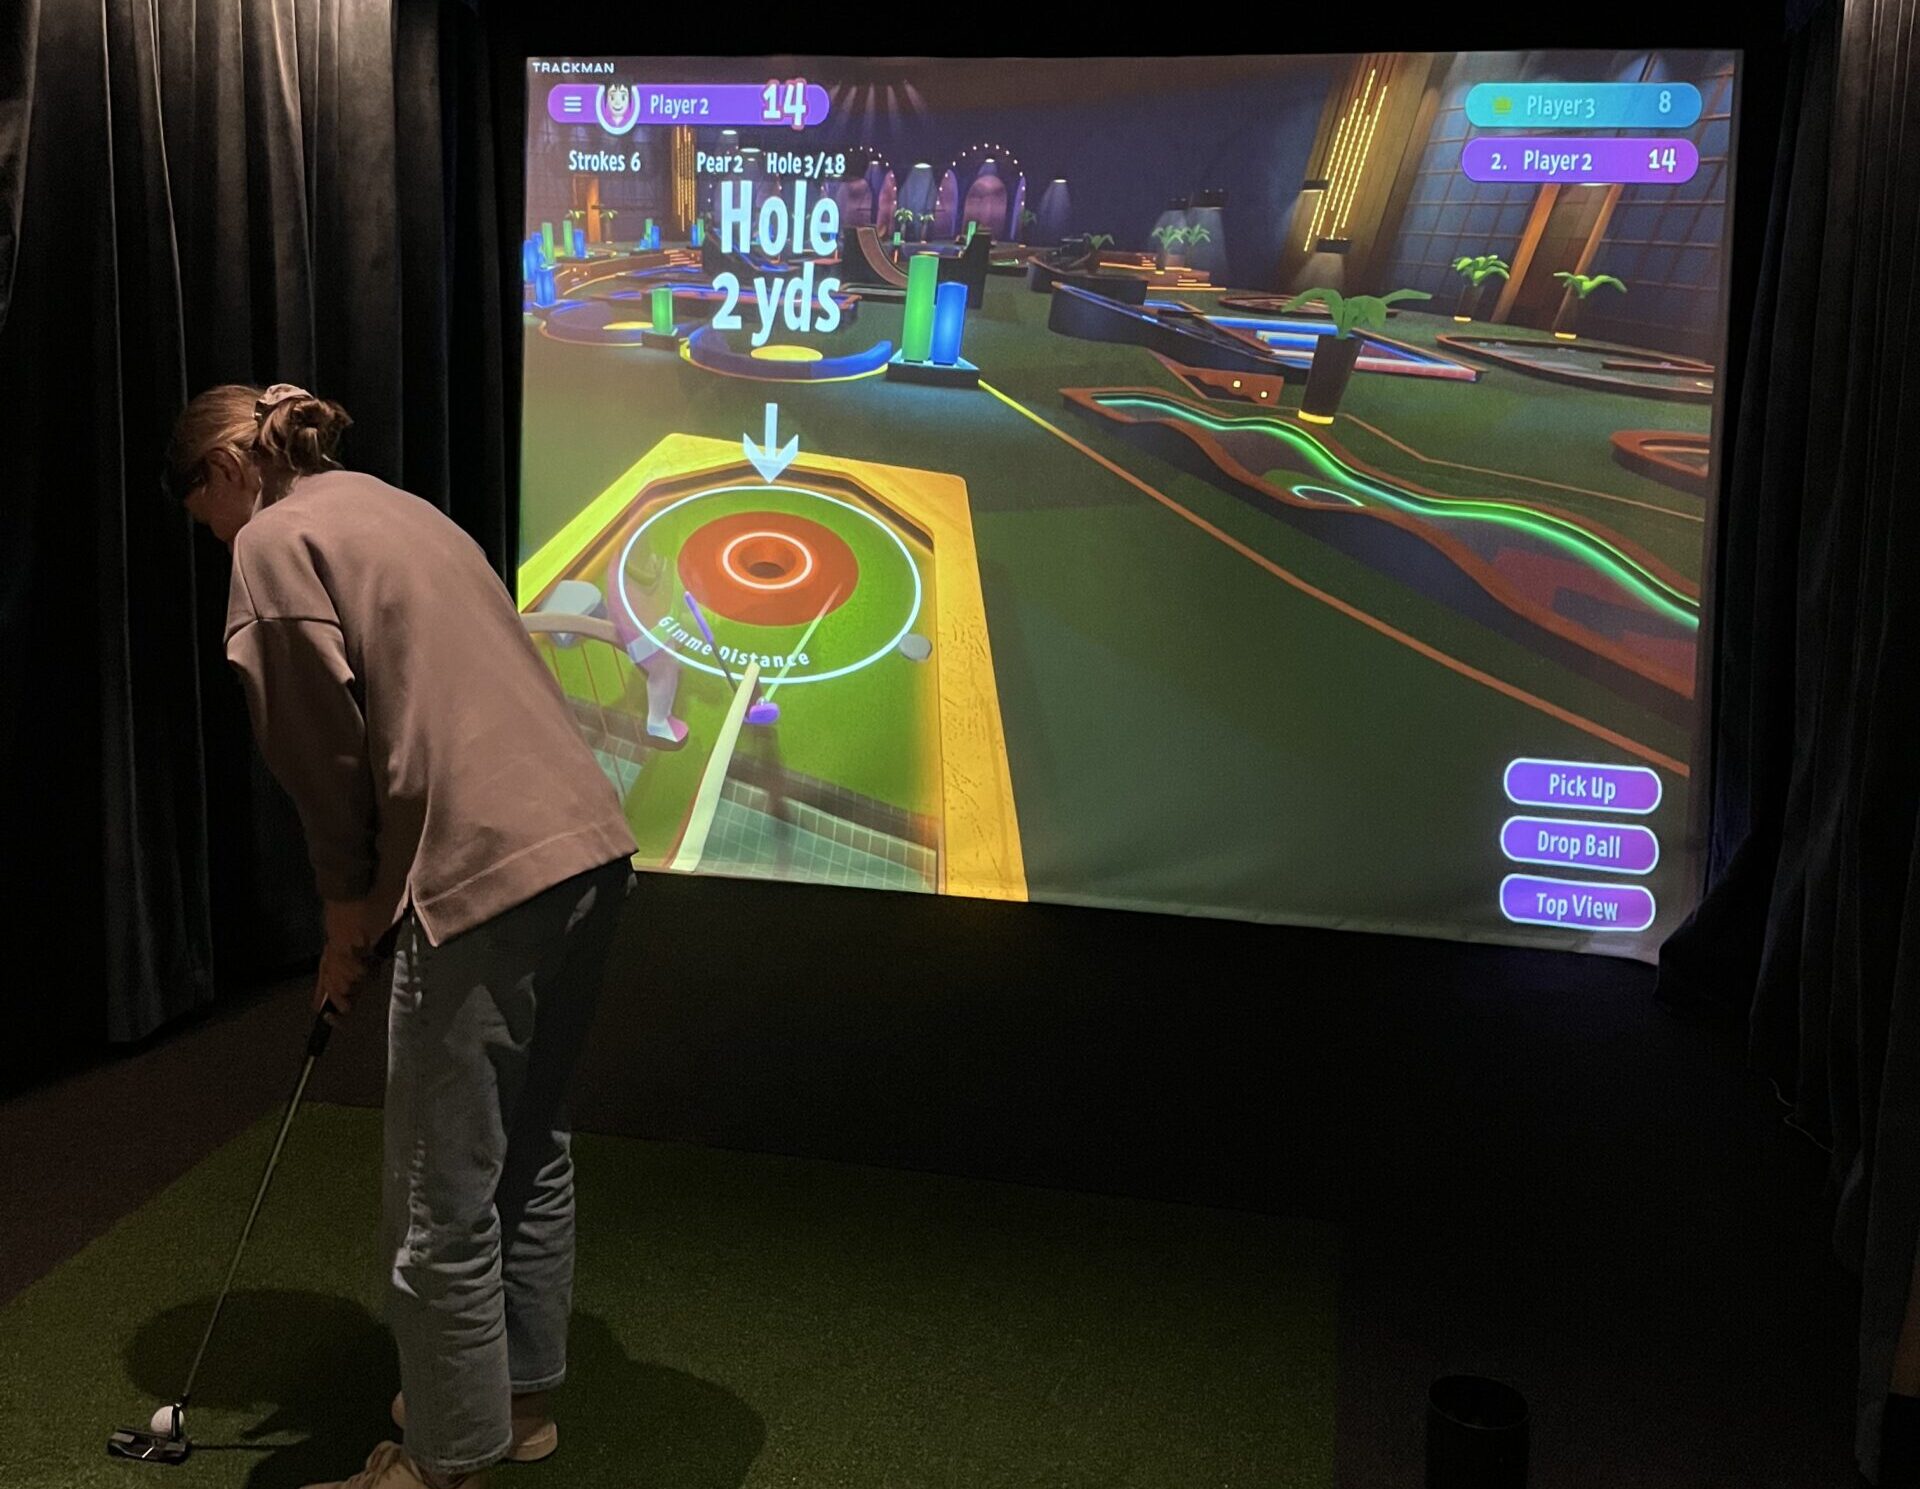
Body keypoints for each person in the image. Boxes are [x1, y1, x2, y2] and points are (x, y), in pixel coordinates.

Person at [166, 383, 639, 1489]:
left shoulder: (273, 543)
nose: (220, 543)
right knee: (528, 1140)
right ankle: (512, 1402)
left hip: (481, 867)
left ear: (225, 473)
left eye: (207, 520)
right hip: (588, 846)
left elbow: (324, 761)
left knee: (439, 1189)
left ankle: (442, 1462)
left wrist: (347, 923)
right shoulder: (392, 502)